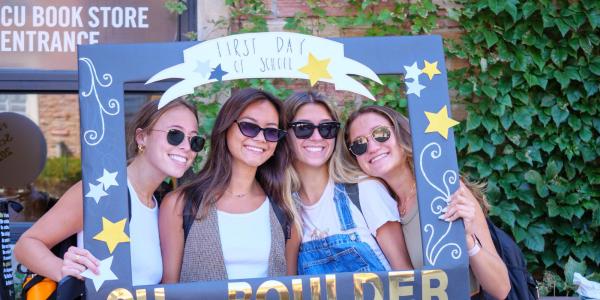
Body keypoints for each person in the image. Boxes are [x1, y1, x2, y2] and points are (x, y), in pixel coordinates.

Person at [14, 99, 204, 286]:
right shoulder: (102, 192)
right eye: (175, 134)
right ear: (142, 137)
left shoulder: (158, 206)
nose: (186, 147)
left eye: (194, 140)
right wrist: (61, 269)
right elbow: (27, 244)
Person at [343, 105, 510, 299]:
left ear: (402, 134)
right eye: (359, 144)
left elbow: (501, 287)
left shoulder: (443, 189)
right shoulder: (384, 208)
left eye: (380, 134)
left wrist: (466, 239)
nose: (371, 148)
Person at [160, 88, 299, 283]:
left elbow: (291, 290)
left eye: (271, 131)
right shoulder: (179, 204)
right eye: (249, 127)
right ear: (225, 128)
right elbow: (168, 292)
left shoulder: (285, 207)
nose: (260, 138)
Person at [283, 91, 412, 275]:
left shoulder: (364, 190)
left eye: (327, 128)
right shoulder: (285, 205)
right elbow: (290, 286)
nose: (317, 137)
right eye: (303, 128)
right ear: (286, 135)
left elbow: (405, 274)